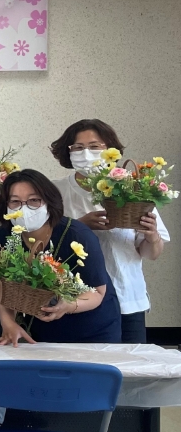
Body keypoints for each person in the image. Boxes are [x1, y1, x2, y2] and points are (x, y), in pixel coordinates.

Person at [49, 119, 169, 343]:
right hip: (76, 301)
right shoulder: (55, 191)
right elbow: (44, 244)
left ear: (110, 150)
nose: (86, 153)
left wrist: (152, 236)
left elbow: (151, 253)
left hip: (127, 298)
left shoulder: (132, 188)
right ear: (68, 152)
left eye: (95, 146)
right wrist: (79, 226)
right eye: (78, 147)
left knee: (130, 363)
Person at [0, 169, 122, 346]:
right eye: (15, 201)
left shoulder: (78, 236)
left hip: (90, 331)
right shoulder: (2, 237)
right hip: (38, 330)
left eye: (34, 200)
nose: (24, 208)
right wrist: (8, 322)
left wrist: (68, 305)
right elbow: (1, 283)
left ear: (49, 202)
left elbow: (98, 293)